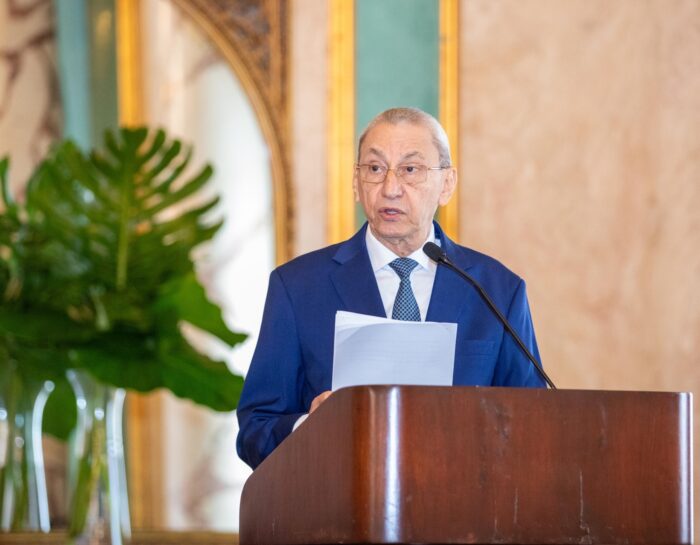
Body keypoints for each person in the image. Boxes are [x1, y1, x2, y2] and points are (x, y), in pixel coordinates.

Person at [236, 107, 545, 469]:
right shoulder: (298, 287)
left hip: (462, 499)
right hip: (340, 499)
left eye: (410, 170)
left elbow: (532, 424)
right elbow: (255, 430)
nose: (391, 188)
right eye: (374, 168)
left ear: (447, 184)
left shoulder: (497, 290)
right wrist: (310, 426)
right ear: (356, 183)